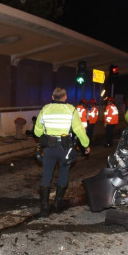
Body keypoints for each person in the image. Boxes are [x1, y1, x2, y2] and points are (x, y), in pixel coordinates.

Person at [34, 87, 90, 217]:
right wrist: (86, 145)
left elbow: (37, 132)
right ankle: (58, 203)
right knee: (64, 172)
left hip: (49, 146)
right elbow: (79, 130)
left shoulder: (45, 109)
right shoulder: (71, 110)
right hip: (65, 148)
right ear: (65, 97)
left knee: (46, 175)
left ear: (53, 97)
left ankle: (44, 207)